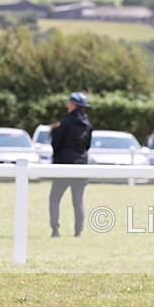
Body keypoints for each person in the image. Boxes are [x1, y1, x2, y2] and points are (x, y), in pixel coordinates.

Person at [49, 92, 92, 237]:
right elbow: (87, 145)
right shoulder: (87, 125)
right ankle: (78, 231)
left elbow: (57, 143)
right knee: (78, 200)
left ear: (73, 105)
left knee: (54, 199)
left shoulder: (66, 122)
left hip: (64, 164)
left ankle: (55, 230)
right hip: (81, 165)